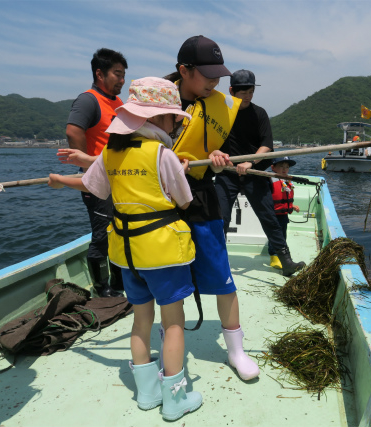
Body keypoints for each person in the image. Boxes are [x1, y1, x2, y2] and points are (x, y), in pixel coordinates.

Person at [49, 77, 202, 421]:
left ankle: (147, 393)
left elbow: (96, 189)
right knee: (173, 322)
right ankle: (175, 399)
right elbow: (183, 200)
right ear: (155, 119)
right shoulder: (162, 154)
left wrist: (59, 178)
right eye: (172, 118)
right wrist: (181, 170)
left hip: (127, 254)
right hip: (162, 252)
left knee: (140, 319)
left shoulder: (109, 153)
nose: (175, 123)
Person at [164, 35, 260, 381]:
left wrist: (219, 161)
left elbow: (224, 157)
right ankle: (169, 347)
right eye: (206, 75)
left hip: (203, 192)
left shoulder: (223, 105)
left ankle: (235, 350)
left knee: (221, 273)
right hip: (163, 198)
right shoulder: (157, 100)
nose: (214, 82)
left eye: (218, 74)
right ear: (183, 71)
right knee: (169, 275)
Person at [214, 69, 305, 274]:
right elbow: (210, 142)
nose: (247, 96)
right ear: (231, 91)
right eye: (243, 92)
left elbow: (266, 146)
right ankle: (217, 264)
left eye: (251, 91)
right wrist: (215, 152)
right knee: (221, 219)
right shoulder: (220, 113)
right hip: (227, 174)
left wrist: (250, 163)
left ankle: (286, 262)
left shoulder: (259, 113)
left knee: (269, 218)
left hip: (254, 173)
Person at [66, 48, 127, 297]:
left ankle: (120, 284)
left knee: (120, 231)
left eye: (124, 75)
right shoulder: (88, 100)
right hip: (98, 181)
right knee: (102, 235)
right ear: (99, 73)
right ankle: (103, 289)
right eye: (117, 74)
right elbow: (73, 131)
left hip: (120, 180)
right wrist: (87, 168)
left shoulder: (118, 103)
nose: (122, 80)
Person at [268, 157, 301, 266]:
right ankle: (273, 257)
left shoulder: (287, 180)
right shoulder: (269, 179)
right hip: (273, 214)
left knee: (282, 235)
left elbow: (286, 197)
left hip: (283, 214)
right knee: (274, 235)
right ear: (273, 167)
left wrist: (292, 206)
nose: (284, 169)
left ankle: (282, 255)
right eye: (281, 166)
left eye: (287, 167)